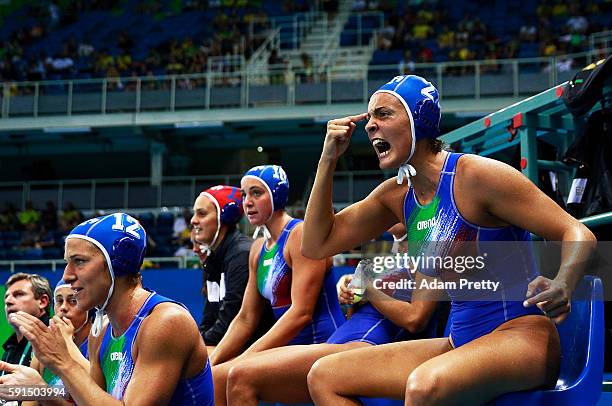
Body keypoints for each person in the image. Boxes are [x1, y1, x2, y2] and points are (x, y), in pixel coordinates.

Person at [302, 74, 596, 404]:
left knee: (423, 386)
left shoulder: (475, 176)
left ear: (421, 119)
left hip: (521, 336)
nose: (370, 125)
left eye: (383, 114)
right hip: (461, 341)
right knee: (324, 376)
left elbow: (577, 231)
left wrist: (564, 282)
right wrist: (327, 160)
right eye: (369, 117)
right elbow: (316, 244)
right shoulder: (398, 196)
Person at [3, 213, 214, 405]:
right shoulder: (101, 333)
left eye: (79, 261)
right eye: (68, 262)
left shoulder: (166, 322)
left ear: (116, 264)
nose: (66, 275)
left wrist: (62, 363)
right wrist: (39, 390)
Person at [223, 223, 438, 405]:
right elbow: (361, 304)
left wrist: (369, 289)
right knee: (234, 374)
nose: (387, 208)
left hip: (364, 345)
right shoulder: (385, 250)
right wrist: (349, 291)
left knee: (240, 376)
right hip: (346, 338)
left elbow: (414, 319)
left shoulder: (427, 248)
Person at [211, 165, 344, 405]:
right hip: (290, 352)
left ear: (277, 195)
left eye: (256, 193)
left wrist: (247, 357)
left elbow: (301, 313)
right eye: (243, 195)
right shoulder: (258, 249)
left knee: (231, 376)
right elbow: (245, 318)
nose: (247, 202)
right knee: (212, 373)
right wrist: (212, 362)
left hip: (325, 346)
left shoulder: (301, 235)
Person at [1, 279, 93, 406]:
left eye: (73, 301)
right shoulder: (43, 349)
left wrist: (67, 343)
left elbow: (99, 393)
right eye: (59, 301)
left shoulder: (99, 342)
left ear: (90, 307)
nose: (63, 308)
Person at [191, 185, 253, 350]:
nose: (193, 220)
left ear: (224, 217)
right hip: (229, 346)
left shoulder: (241, 254)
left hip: (250, 349)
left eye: (202, 213)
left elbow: (231, 318)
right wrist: (199, 343)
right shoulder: (213, 259)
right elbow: (210, 315)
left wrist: (198, 347)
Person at [2, 273, 51, 368]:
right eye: (6, 297)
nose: (8, 301)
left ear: (42, 302)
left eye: (19, 294)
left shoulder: (56, 336)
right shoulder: (9, 349)